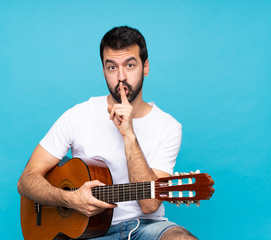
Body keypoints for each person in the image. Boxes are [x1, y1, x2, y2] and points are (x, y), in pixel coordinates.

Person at [18, 26, 197, 240]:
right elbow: (26, 180)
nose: (121, 77)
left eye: (130, 65)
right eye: (112, 67)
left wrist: (128, 134)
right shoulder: (78, 115)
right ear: (104, 70)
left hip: (145, 228)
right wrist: (70, 199)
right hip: (86, 232)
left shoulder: (168, 126)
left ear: (145, 67)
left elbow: (149, 205)